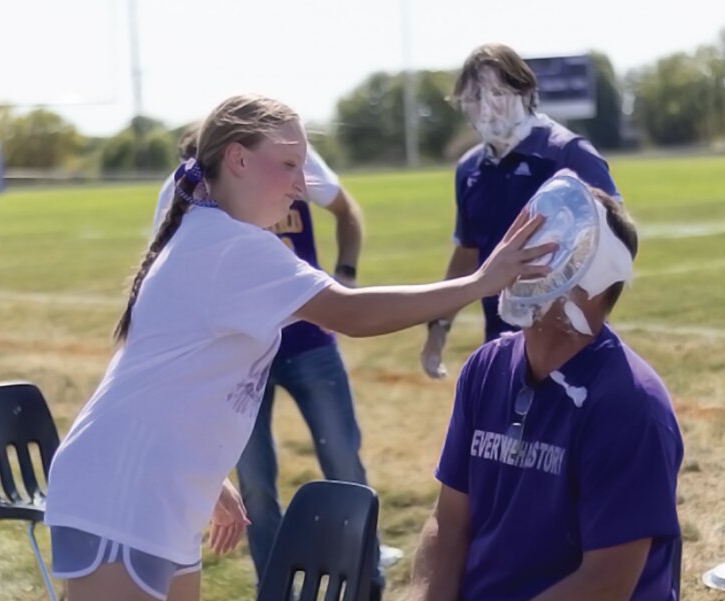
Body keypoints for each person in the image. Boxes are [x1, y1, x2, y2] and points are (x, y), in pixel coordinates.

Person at [44, 93, 556, 601]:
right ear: (238, 159)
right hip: (123, 491)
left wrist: (208, 478)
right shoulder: (233, 246)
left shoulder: (212, 235)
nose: (301, 183)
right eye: (289, 164)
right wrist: (480, 282)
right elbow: (353, 314)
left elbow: (164, 374)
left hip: (160, 490)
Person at [406, 177, 683, 601]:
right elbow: (449, 522)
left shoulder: (630, 404)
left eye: (547, 243)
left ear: (594, 276)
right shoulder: (486, 368)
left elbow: (606, 583)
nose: (517, 254)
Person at [154, 133, 388, 598]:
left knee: (343, 460)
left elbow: (347, 210)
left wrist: (345, 276)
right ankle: (274, 586)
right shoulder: (184, 186)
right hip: (240, 359)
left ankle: (367, 578)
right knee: (255, 484)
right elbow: (164, 272)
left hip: (310, 341)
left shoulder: (288, 158)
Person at [421, 43, 622, 379]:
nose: (485, 108)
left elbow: (618, 242)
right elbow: (468, 252)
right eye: (473, 99)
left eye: (497, 93)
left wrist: (581, 317)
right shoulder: (469, 169)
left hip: (569, 340)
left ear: (526, 92)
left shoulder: (568, 155)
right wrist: (439, 326)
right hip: (502, 339)